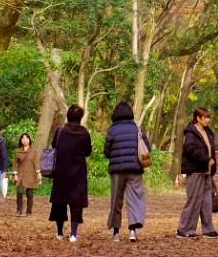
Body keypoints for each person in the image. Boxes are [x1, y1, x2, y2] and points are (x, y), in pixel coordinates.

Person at [103, 100, 152, 241]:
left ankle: (116, 233)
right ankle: (132, 231)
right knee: (135, 199)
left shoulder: (112, 130)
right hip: (135, 169)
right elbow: (147, 149)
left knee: (116, 201)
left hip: (117, 170)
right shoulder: (137, 129)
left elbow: (107, 152)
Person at [47, 105, 92, 242]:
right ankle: (73, 233)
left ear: (68, 116)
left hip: (61, 171)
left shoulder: (60, 131)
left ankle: (60, 232)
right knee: (76, 203)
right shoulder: (84, 133)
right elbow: (88, 151)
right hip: (78, 173)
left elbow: (54, 146)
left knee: (59, 202)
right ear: (80, 118)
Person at [176, 106, 218, 238]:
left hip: (207, 172)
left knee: (206, 202)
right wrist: (206, 159)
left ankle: (208, 229)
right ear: (198, 118)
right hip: (195, 171)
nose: (207, 120)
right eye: (205, 117)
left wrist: (211, 165)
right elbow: (190, 150)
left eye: (208, 117)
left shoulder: (207, 132)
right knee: (193, 201)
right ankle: (184, 230)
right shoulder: (191, 133)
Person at [11, 131, 40, 216]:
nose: (25, 140)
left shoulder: (34, 151)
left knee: (29, 194)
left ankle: (29, 211)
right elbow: (15, 163)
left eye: (27, 138)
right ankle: (19, 210)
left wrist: (38, 172)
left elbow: (36, 163)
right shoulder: (17, 151)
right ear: (20, 140)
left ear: (29, 140)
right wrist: (15, 174)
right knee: (19, 192)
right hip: (20, 175)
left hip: (31, 175)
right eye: (23, 138)